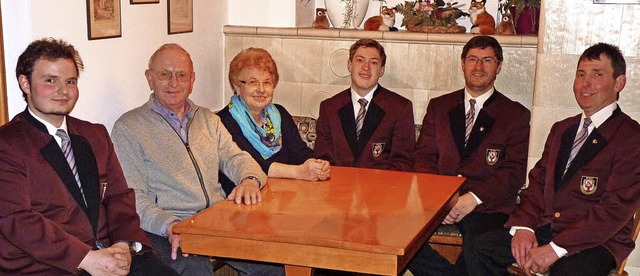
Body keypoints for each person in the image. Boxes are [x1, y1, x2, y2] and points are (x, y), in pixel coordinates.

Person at [0, 38, 177, 275]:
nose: (63, 91)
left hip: (111, 253)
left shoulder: (95, 135)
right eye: (50, 81)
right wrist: (86, 259)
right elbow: (17, 221)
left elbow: (119, 199)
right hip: (50, 265)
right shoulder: (8, 143)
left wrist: (125, 245)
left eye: (70, 81)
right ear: (25, 83)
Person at [111, 43, 283, 275]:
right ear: (150, 78)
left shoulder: (207, 119)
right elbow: (133, 197)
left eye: (181, 75)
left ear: (192, 80)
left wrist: (250, 180)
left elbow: (236, 158)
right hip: (168, 225)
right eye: (164, 74)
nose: (174, 83)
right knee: (197, 269)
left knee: (272, 264)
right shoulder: (129, 127)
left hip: (216, 220)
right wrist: (169, 225)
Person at [469, 43, 640, 275]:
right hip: (547, 228)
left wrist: (556, 248)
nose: (585, 84)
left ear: (619, 83)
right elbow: (538, 183)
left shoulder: (630, 137)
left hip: (597, 242)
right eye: (581, 74)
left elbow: (614, 209)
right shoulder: (562, 129)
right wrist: (524, 227)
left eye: (597, 74)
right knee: (480, 249)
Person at [409, 35, 531, 275]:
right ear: (462, 63)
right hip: (439, 201)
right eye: (473, 59)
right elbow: (423, 157)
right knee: (402, 241)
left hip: (487, 207)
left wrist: (472, 199)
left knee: (477, 252)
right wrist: (443, 199)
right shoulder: (439, 106)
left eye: (487, 60)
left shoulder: (515, 114)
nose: (478, 67)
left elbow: (513, 172)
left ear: (499, 67)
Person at [218, 47, 330, 194]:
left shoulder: (280, 113)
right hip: (245, 197)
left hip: (285, 194)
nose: (261, 89)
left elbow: (300, 151)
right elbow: (254, 165)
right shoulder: (224, 121)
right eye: (253, 82)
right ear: (237, 86)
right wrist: (299, 172)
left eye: (267, 82)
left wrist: (316, 165)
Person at [314, 38, 415, 170]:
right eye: (360, 60)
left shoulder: (400, 108)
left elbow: (402, 163)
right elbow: (323, 160)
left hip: (382, 188)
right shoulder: (329, 108)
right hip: (339, 187)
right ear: (350, 65)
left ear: (382, 70)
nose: (366, 67)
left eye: (373, 62)